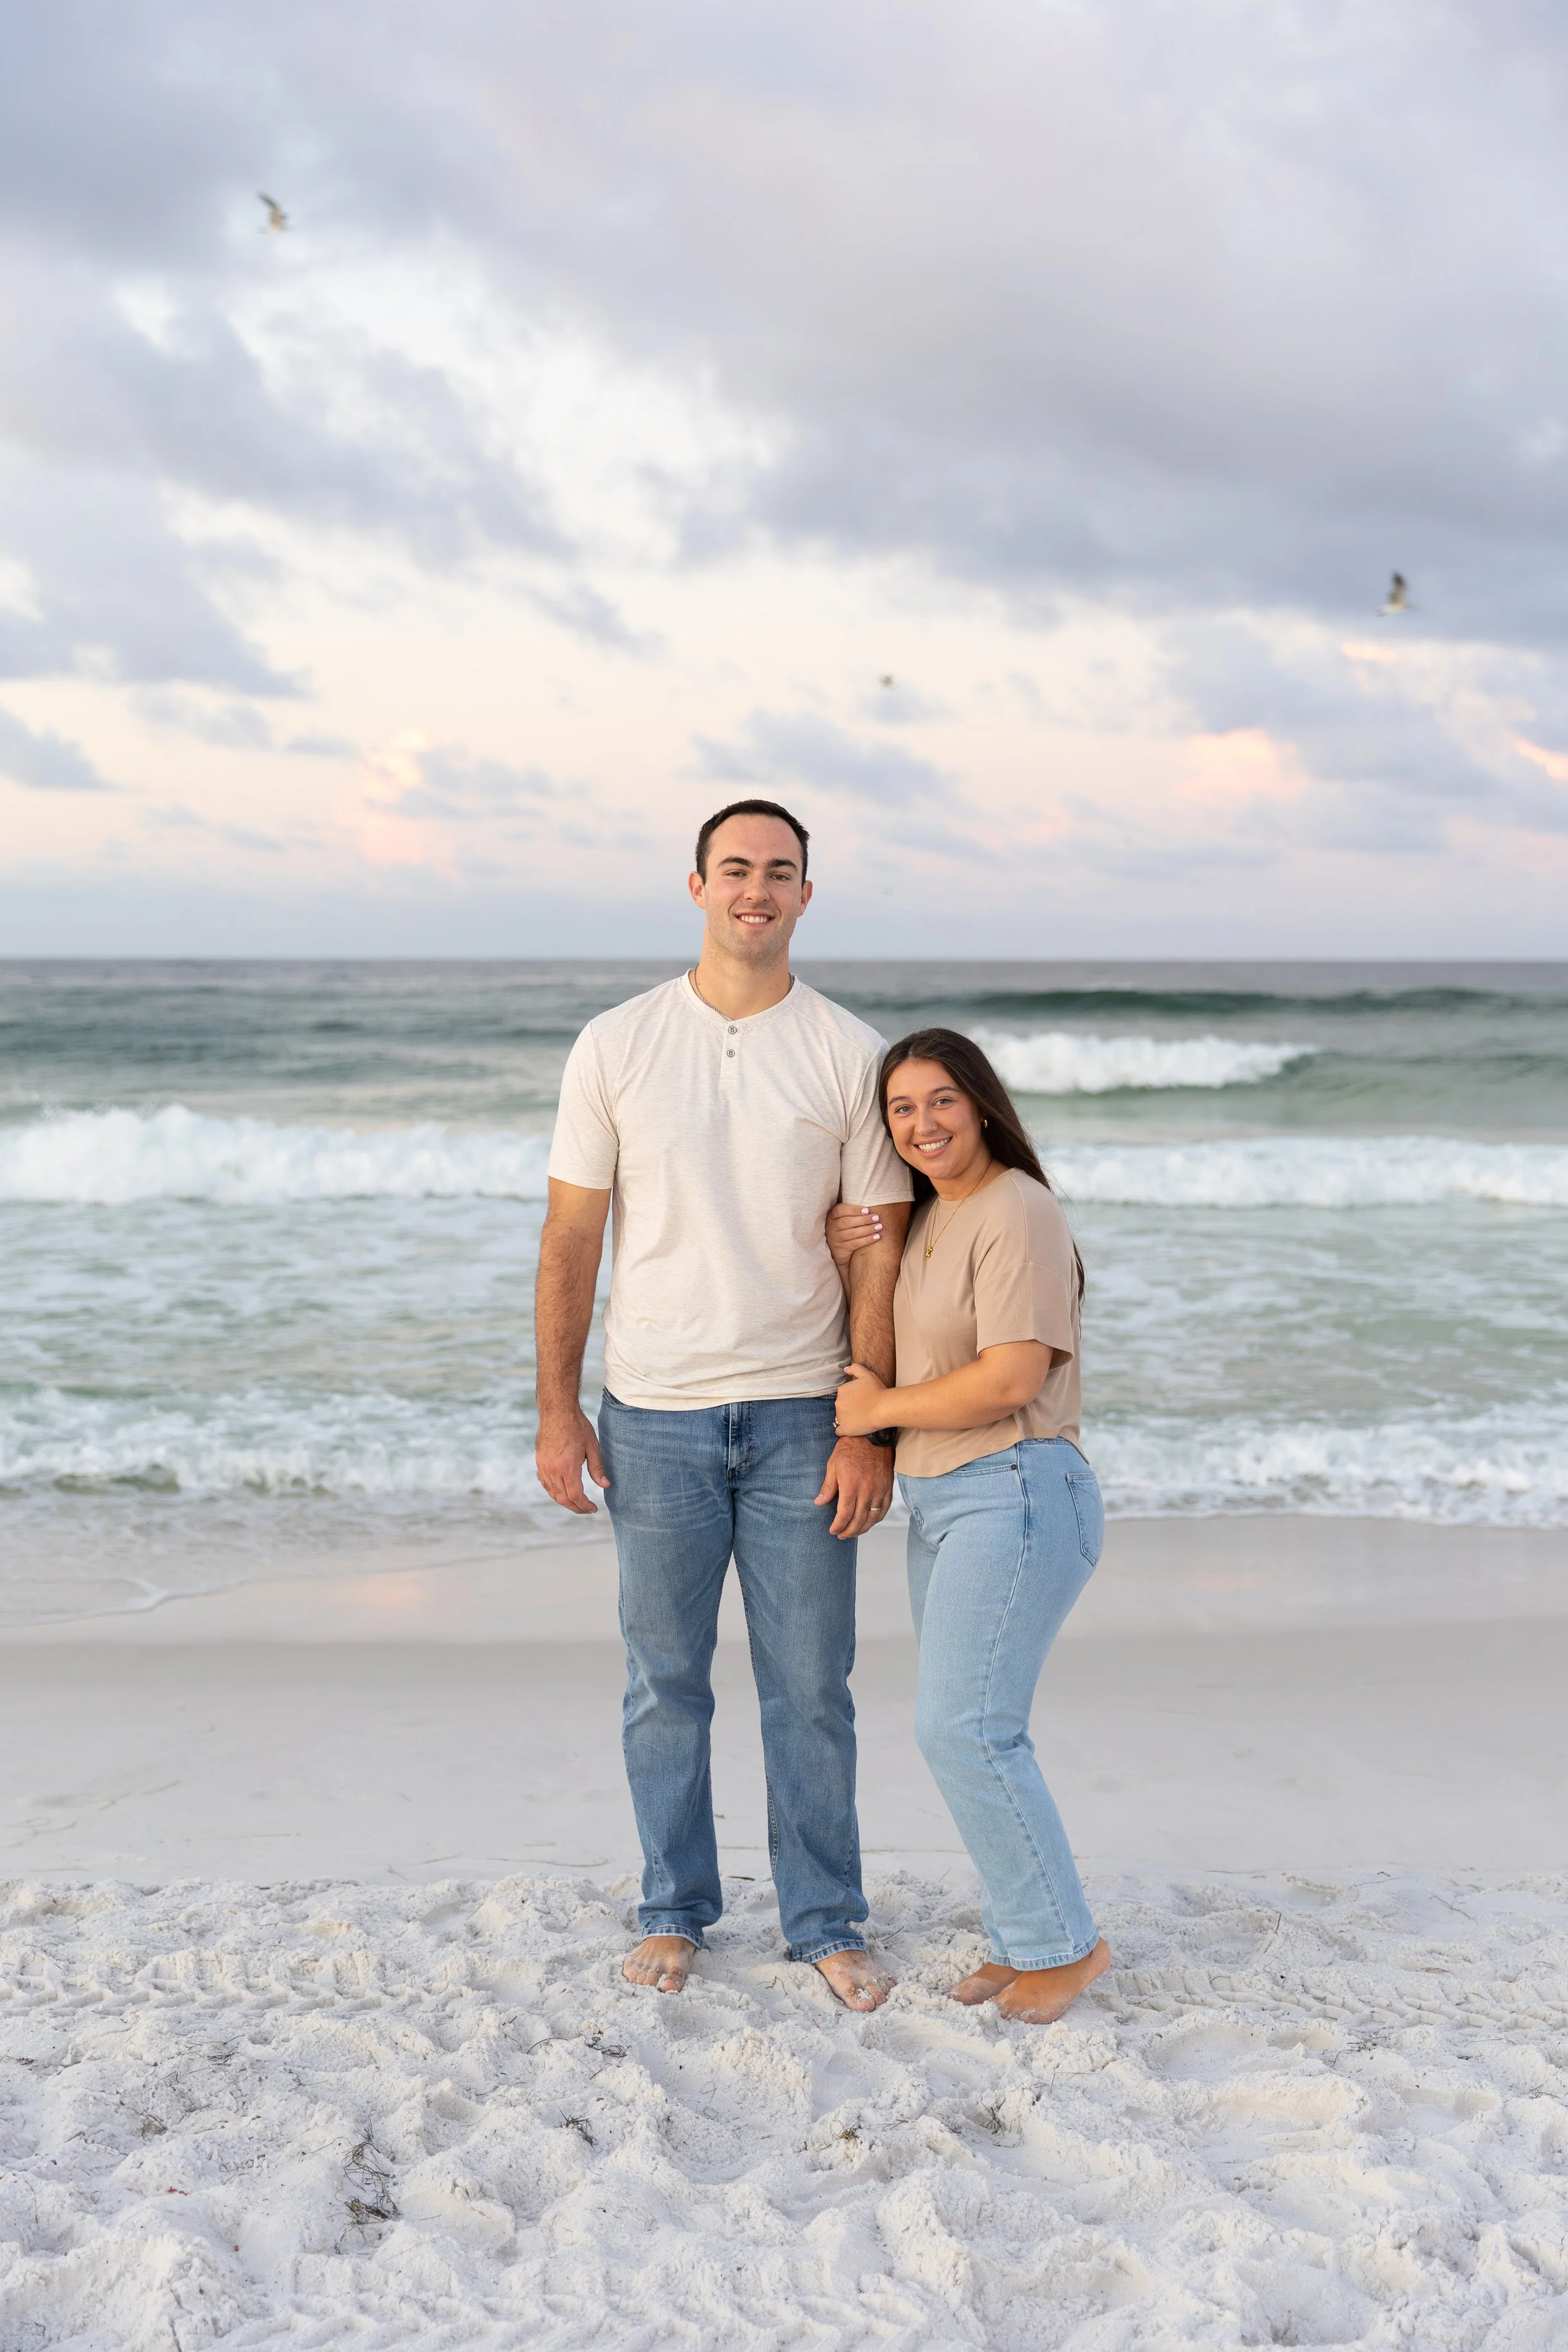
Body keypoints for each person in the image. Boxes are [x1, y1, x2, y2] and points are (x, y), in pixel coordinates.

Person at [534, 800, 912, 2010]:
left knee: (812, 1682)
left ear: (808, 895)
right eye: (736, 868)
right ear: (695, 885)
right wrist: (557, 1409)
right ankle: (676, 1908)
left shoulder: (849, 1052)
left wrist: (868, 1426)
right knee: (666, 1680)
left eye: (781, 871)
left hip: (805, 1409)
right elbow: (571, 1237)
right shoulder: (617, 1042)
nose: (757, 888)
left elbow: (876, 1256)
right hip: (652, 1411)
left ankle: (824, 1915)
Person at [828, 1027, 1111, 2025]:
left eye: (940, 1100)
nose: (921, 1123)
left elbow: (1011, 1377)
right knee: (974, 1730)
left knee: (965, 1728)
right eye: (902, 1109)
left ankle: (1063, 1948)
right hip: (949, 1499)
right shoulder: (939, 1220)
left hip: (1021, 1487)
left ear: (982, 1102)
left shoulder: (1017, 1209)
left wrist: (876, 1414)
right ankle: (1025, 1932)